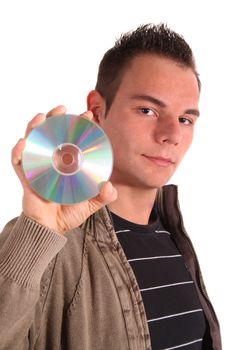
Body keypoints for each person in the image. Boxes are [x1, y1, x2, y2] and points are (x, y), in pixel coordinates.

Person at [0, 24, 221, 350]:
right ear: (98, 109)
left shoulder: (174, 237)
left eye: (186, 119)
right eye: (148, 110)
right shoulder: (48, 245)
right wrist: (36, 233)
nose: (171, 134)